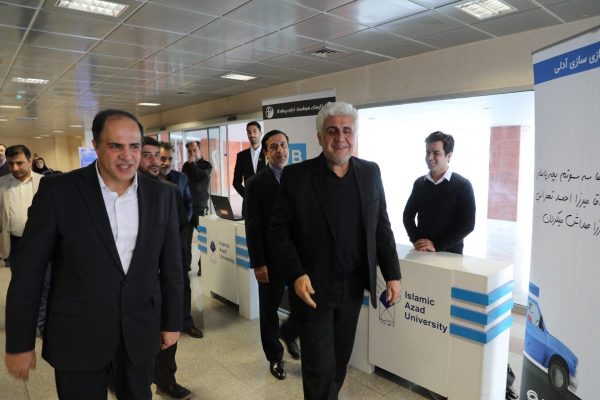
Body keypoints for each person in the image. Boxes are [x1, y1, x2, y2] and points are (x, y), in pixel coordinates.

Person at [4, 109, 183, 400]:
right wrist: (19, 343)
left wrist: (172, 321)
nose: (127, 156)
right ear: (96, 146)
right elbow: (28, 273)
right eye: (115, 146)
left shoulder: (161, 195)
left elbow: (172, 266)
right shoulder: (59, 191)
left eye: (134, 146)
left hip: (139, 331)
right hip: (78, 335)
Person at [269, 101, 402, 400]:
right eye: (332, 131)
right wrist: (296, 273)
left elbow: (381, 228)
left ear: (355, 135)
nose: (340, 138)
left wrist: (392, 274)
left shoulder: (370, 173)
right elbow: (277, 230)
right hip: (313, 289)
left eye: (347, 130)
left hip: (353, 289)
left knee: (339, 365)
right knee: (319, 369)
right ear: (319, 137)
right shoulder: (297, 176)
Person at [138, 137, 193, 400]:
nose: (155, 161)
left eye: (157, 156)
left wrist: (178, 267)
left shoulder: (168, 190)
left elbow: (180, 230)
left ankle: (166, 381)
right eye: (147, 155)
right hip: (135, 281)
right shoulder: (122, 192)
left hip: (165, 275)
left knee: (167, 333)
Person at [244, 129, 300, 381]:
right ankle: (275, 356)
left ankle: (289, 332)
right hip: (270, 259)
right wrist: (258, 263)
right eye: (274, 147)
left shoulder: (297, 178)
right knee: (269, 310)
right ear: (266, 153)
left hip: (295, 256)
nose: (280, 150)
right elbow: (252, 226)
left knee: (304, 303)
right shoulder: (255, 183)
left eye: (283, 145)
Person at [403, 131, 475, 254]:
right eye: (428, 152)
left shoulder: (463, 185)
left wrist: (437, 245)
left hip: (450, 255)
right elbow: (407, 215)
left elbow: (468, 224)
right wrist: (416, 240)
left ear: (449, 155)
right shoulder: (419, 183)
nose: (430, 157)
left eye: (436, 153)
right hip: (422, 253)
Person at [160, 141, 204, 339]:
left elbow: (188, 204)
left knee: (182, 282)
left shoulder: (181, 178)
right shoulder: (146, 179)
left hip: (179, 238)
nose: (166, 162)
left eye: (170, 159)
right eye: (162, 158)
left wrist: (177, 228)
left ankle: (186, 321)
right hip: (155, 241)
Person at [0, 145, 43, 269]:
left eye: (19, 163)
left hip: (41, 241)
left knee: (44, 277)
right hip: (14, 244)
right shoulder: (1, 183)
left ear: (30, 162)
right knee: (18, 276)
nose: (15, 168)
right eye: (11, 163)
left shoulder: (44, 182)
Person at [181, 141, 212, 277]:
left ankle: (202, 266)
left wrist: (192, 164)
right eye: (189, 151)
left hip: (200, 207)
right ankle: (185, 266)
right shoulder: (186, 166)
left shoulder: (206, 165)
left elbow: (201, 177)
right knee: (185, 240)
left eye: (195, 150)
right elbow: (183, 183)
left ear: (200, 150)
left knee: (204, 238)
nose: (192, 153)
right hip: (186, 208)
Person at [233, 121, 265, 198]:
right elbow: (236, 182)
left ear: (260, 133)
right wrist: (247, 196)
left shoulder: (268, 153)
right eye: (249, 132)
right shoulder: (241, 156)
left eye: (254, 131)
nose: (252, 135)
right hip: (249, 202)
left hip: (267, 201)